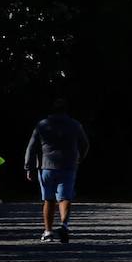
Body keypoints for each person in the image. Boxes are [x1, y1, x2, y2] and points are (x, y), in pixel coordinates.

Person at [24, 98, 90, 244]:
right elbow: (85, 144)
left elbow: (32, 147)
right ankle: (64, 225)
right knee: (65, 197)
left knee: (48, 199)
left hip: (46, 166)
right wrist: (79, 158)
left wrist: (29, 167)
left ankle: (48, 232)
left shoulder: (42, 125)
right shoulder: (75, 125)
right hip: (68, 165)